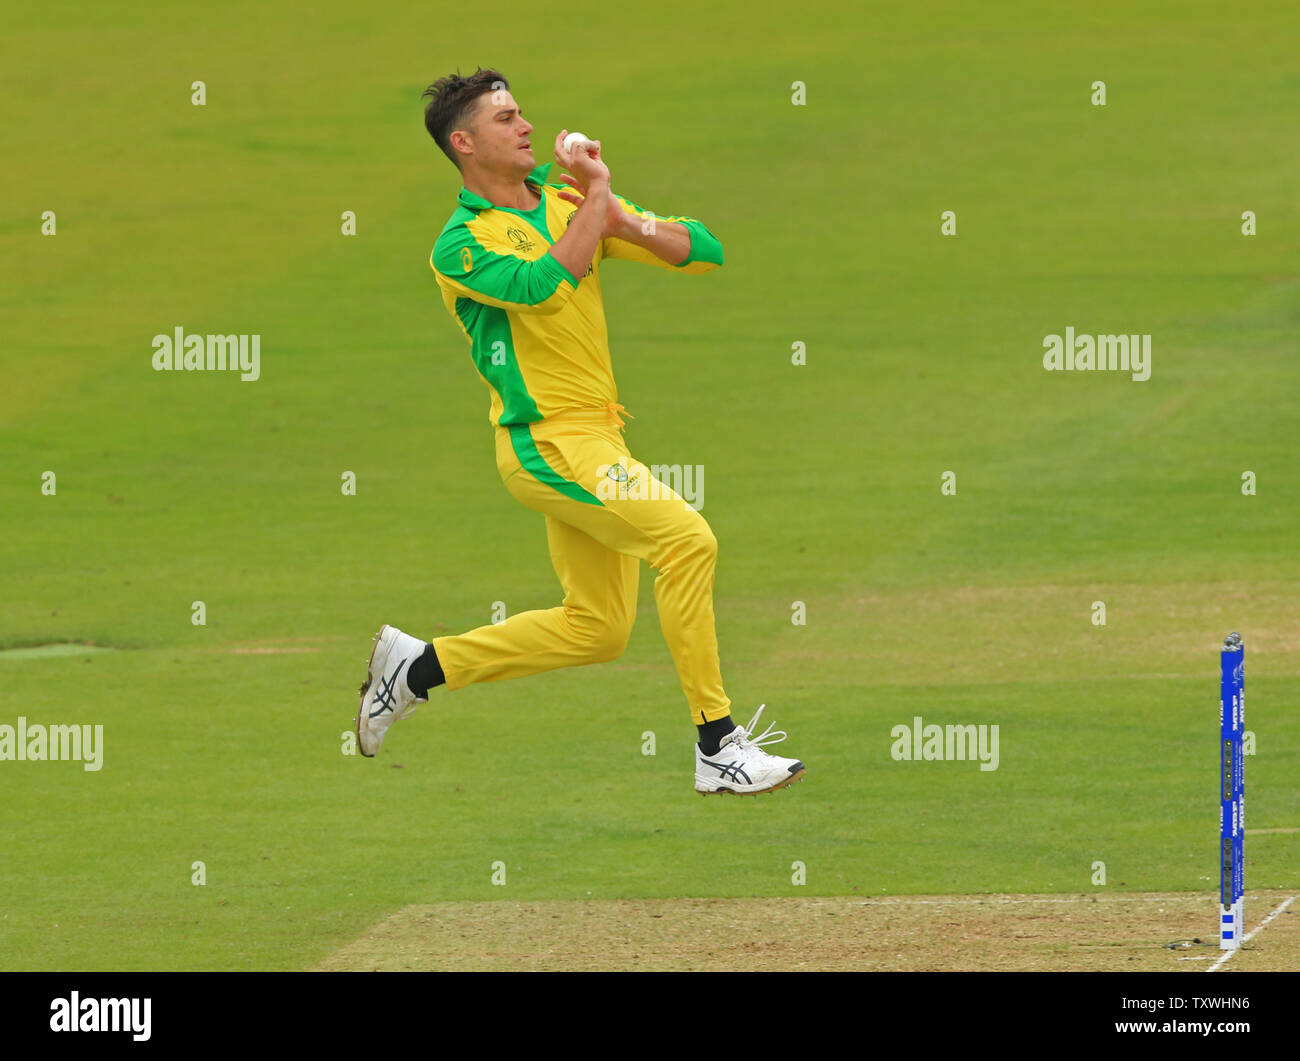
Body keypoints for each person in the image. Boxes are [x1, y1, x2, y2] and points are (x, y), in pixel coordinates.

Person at [355, 67, 804, 796]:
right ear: (464, 143)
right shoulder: (461, 243)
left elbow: (703, 248)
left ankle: (418, 667)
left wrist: (618, 215)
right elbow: (540, 287)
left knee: (597, 629)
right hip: (546, 443)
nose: (525, 125)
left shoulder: (566, 201)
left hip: (601, 438)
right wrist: (597, 198)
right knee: (687, 539)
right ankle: (717, 744)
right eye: (505, 119)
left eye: (522, 112)